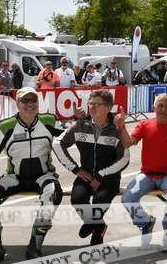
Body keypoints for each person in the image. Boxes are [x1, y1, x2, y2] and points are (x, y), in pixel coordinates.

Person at [0, 87, 64, 264]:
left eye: (33, 100)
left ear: (38, 103)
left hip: (43, 176)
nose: (30, 104)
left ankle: (35, 246)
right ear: (17, 103)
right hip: (14, 177)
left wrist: (82, 121)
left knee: (53, 193)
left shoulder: (50, 121)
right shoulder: (5, 126)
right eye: (25, 101)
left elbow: (68, 139)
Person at [53, 90, 129, 246]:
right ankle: (99, 225)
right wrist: (75, 169)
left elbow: (125, 159)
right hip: (86, 174)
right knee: (77, 199)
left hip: (110, 177)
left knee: (100, 200)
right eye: (90, 104)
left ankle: (95, 230)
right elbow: (57, 143)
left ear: (108, 107)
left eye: (97, 104)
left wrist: (101, 175)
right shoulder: (81, 125)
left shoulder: (117, 128)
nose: (92, 107)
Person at [121, 94, 167, 246]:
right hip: (147, 175)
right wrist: (121, 126)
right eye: (160, 105)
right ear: (153, 107)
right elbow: (127, 143)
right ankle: (145, 222)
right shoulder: (144, 124)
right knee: (127, 198)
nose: (163, 109)